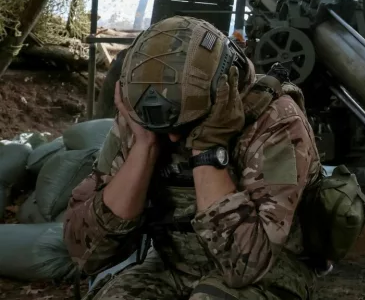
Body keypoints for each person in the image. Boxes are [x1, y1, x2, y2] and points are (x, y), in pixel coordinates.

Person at [63, 15, 324, 300]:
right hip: (173, 266)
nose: (174, 139)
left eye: (185, 126)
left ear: (224, 91)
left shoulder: (277, 120)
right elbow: (86, 253)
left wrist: (208, 148)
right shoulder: (145, 116)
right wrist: (145, 146)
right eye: (165, 129)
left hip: (271, 274)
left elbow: (245, 266)